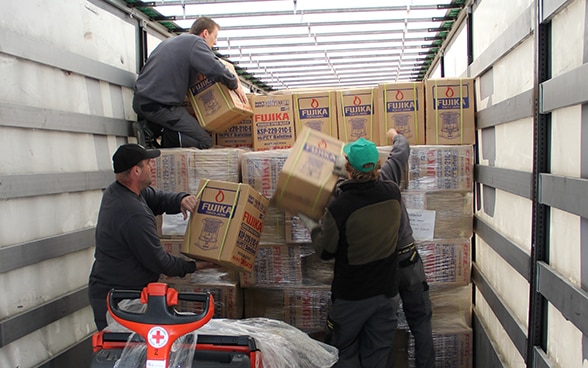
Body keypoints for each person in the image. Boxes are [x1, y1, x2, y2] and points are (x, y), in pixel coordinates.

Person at [299, 137, 403, 368]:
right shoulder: (392, 193)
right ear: (377, 165)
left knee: (344, 351)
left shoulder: (340, 207)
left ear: (347, 167)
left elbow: (326, 251)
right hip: (386, 292)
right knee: (378, 352)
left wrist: (311, 223)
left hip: (353, 296)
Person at [88, 143, 206, 331]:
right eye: (147, 164)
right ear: (136, 171)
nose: (152, 167)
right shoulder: (132, 213)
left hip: (124, 291)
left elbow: (157, 198)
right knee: (123, 354)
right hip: (117, 300)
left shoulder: (121, 191)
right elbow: (159, 262)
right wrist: (197, 265)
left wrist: (180, 199)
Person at [132, 16, 248, 149]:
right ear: (205, 33)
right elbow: (216, 69)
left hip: (143, 101)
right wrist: (234, 84)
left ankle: (151, 130)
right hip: (159, 106)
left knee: (178, 116)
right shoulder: (196, 43)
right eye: (215, 37)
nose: (215, 43)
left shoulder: (172, 41)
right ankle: (161, 148)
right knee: (205, 141)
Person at [380, 129, 435, 368]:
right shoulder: (388, 176)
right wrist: (395, 135)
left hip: (383, 268)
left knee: (383, 328)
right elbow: (402, 149)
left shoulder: (349, 193)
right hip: (409, 260)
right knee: (420, 321)